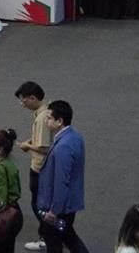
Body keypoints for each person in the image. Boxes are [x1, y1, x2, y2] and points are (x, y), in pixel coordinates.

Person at [36, 101, 87, 253]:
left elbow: (61, 181)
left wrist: (54, 211)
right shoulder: (75, 137)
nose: (46, 121)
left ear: (60, 121)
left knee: (53, 240)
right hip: (70, 201)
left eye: (50, 118)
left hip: (60, 206)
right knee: (68, 235)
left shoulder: (63, 146)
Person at [15, 82, 52, 253]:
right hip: (46, 166)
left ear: (33, 98)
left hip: (40, 166)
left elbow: (44, 148)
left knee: (39, 204)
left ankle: (47, 237)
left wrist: (27, 146)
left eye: (24, 101)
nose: (22, 105)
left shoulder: (41, 119)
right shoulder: (47, 111)